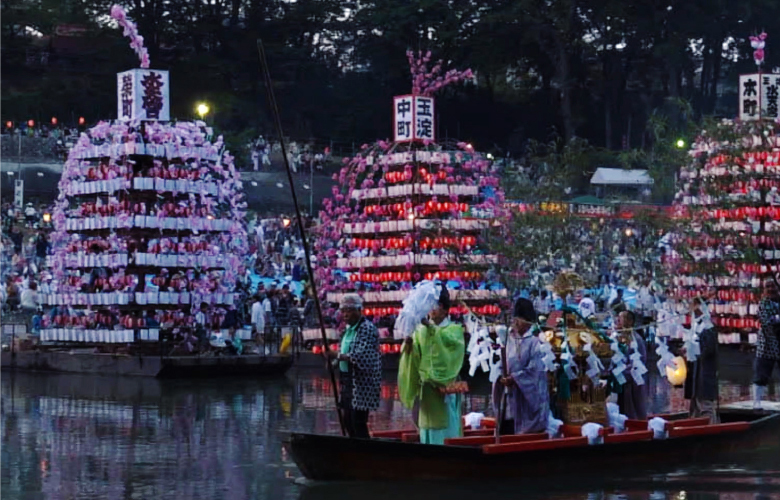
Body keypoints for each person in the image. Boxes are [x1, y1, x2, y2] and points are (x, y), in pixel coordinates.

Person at [398, 286, 465, 445]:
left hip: (446, 387)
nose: (430, 310)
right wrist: (408, 346)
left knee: (445, 427)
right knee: (427, 429)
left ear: (442, 308)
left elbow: (450, 352)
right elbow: (414, 355)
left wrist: (429, 327)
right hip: (426, 387)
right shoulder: (421, 330)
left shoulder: (453, 330)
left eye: (433, 306)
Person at [325, 294, 381, 438]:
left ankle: (364, 452)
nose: (346, 315)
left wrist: (336, 356)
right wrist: (334, 363)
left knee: (358, 421)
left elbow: (361, 356)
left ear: (358, 310)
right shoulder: (347, 330)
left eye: (349, 311)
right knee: (347, 420)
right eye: (343, 311)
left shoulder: (366, 329)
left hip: (362, 382)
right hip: (348, 379)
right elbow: (344, 351)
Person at [493, 298, 549, 434]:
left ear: (528, 320)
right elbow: (500, 363)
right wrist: (500, 377)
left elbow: (536, 371)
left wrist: (515, 379)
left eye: (520, 318)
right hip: (508, 395)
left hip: (525, 397)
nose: (516, 322)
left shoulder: (536, 341)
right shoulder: (509, 338)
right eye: (515, 318)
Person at [684, 297, 719, 423]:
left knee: (705, 403)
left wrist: (696, 350)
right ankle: (694, 423)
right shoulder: (695, 326)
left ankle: (711, 427)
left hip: (704, 369)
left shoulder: (708, 327)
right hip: (695, 369)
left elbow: (709, 350)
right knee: (695, 402)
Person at [615, 310, 648, 420]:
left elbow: (640, 362)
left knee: (635, 409)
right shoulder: (618, 338)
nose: (617, 321)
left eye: (621, 319)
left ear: (630, 322)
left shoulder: (637, 340)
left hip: (633, 381)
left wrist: (625, 371)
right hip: (621, 381)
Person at [755, 279, 780, 409]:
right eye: (767, 287)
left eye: (773, 286)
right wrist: (776, 319)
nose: (771, 289)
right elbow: (765, 321)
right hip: (767, 342)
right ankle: (757, 401)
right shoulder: (763, 303)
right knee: (762, 372)